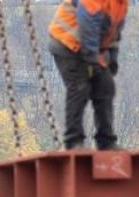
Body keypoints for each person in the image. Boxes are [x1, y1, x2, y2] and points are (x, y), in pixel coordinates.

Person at [48, 0, 127, 150]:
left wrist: (112, 59)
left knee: (106, 86)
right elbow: (87, 24)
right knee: (79, 88)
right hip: (66, 43)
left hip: (88, 48)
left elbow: (113, 33)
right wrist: (93, 59)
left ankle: (106, 141)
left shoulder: (121, 4)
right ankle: (73, 141)